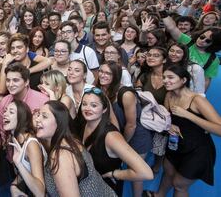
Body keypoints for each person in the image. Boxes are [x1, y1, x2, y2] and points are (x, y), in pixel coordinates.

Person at [156, 65, 221, 197]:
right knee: (168, 172)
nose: (165, 80)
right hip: (176, 144)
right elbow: (168, 118)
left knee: (179, 185)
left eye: (170, 77)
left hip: (198, 150)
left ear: (183, 80)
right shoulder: (169, 95)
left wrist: (188, 115)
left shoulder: (197, 100)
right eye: (164, 77)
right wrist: (170, 126)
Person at [75, 87, 153, 195]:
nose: (87, 108)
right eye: (84, 104)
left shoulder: (111, 137)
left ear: (104, 109)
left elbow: (146, 173)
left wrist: (114, 174)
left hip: (106, 189)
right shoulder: (84, 124)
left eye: (94, 105)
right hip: (88, 186)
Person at [35, 100, 117, 196]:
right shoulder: (72, 140)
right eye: (38, 114)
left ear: (59, 123)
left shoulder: (60, 156)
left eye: (44, 116)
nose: (37, 119)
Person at [2, 100, 46, 196]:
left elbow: (40, 193)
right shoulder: (15, 139)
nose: (5, 114)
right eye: (5, 111)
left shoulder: (31, 145)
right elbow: (25, 172)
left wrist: (18, 164)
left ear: (21, 118)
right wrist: (13, 186)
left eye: (11, 112)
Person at [0, 63, 48, 130]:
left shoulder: (43, 101)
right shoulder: (4, 102)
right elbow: (2, 130)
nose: (10, 84)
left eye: (15, 80)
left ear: (26, 82)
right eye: (8, 80)